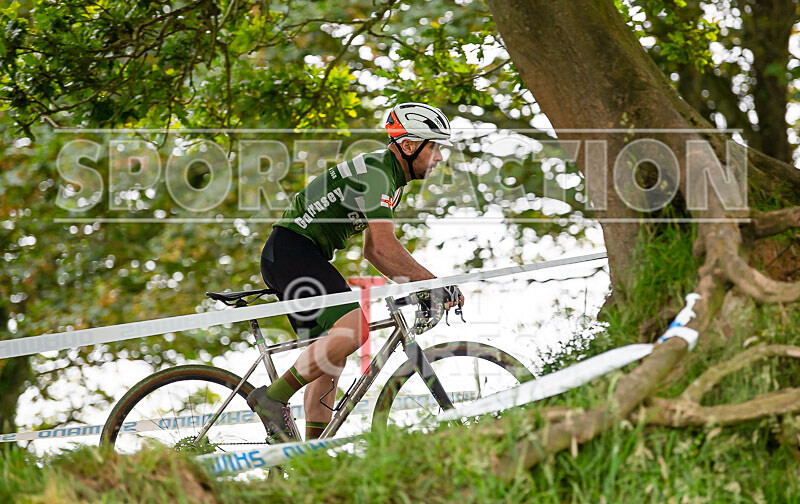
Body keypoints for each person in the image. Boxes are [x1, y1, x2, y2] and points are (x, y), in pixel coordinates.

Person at [249, 102, 465, 441]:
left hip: (295, 255)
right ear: (408, 146)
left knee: (329, 363)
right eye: (434, 146)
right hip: (292, 251)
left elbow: (372, 251)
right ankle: (271, 398)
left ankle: (310, 459)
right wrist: (434, 285)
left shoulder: (388, 178)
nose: (438, 157)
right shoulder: (380, 172)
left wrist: (420, 286)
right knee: (354, 330)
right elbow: (383, 246)